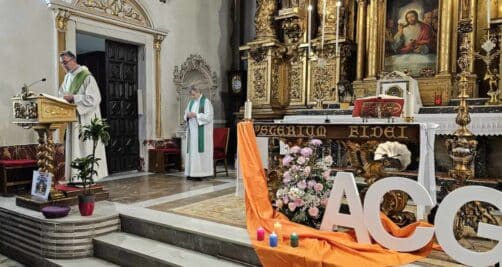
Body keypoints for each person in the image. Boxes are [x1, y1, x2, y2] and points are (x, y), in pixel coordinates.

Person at [58, 50, 108, 181]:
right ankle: (75, 178)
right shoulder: (68, 77)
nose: (63, 66)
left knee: (84, 147)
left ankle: (87, 178)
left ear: (73, 60)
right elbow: (62, 93)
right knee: (74, 147)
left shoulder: (86, 76)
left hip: (85, 119)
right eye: (61, 64)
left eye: (65, 63)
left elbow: (94, 98)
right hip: (73, 118)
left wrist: (74, 98)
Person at [184, 87, 214, 180]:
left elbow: (209, 117)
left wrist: (196, 115)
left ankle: (201, 173)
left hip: (202, 132)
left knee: (199, 152)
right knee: (192, 152)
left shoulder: (206, 102)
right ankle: (191, 172)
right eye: (191, 95)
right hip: (192, 132)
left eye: (193, 94)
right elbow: (186, 113)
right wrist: (187, 115)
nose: (192, 96)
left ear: (199, 92)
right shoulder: (191, 102)